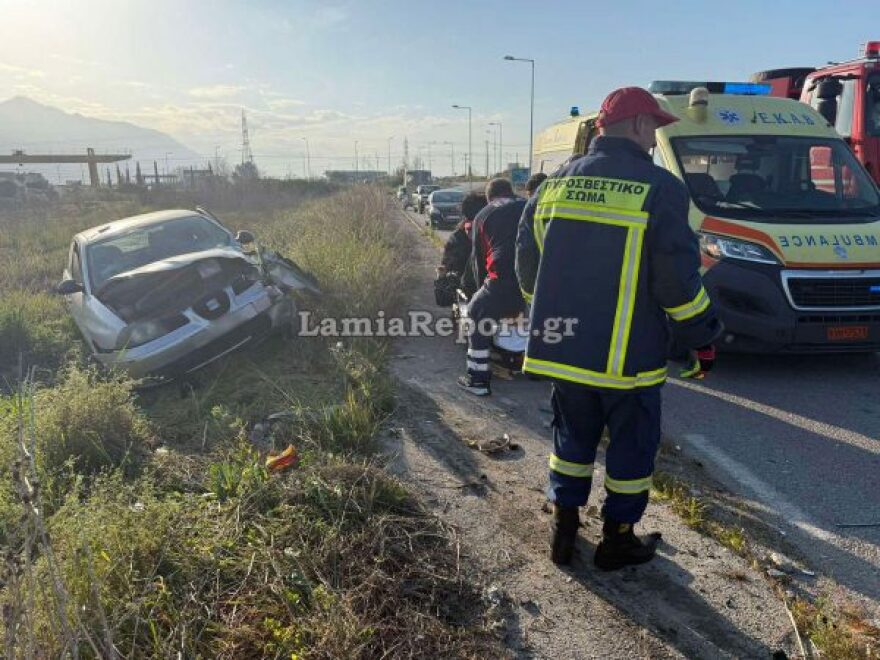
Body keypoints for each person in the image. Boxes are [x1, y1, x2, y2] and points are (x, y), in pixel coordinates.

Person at [516, 87, 722, 570]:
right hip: (627, 359)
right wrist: (702, 337)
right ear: (634, 125)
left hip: (564, 352)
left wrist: (548, 318)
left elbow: (528, 268)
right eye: (653, 128)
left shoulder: (551, 187)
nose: (654, 140)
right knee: (631, 452)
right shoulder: (660, 188)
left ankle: (564, 529)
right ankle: (618, 539)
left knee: (571, 443)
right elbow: (678, 284)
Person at [458, 178, 526, 396]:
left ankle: (477, 380)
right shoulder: (528, 205)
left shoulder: (483, 215)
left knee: (476, 312)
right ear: (511, 192)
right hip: (537, 280)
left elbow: (479, 261)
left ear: (489, 198)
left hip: (503, 279)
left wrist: (480, 293)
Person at [435, 192, 487, 302]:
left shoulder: (457, 238)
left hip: (466, 304)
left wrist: (441, 279)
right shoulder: (499, 236)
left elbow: (444, 295)